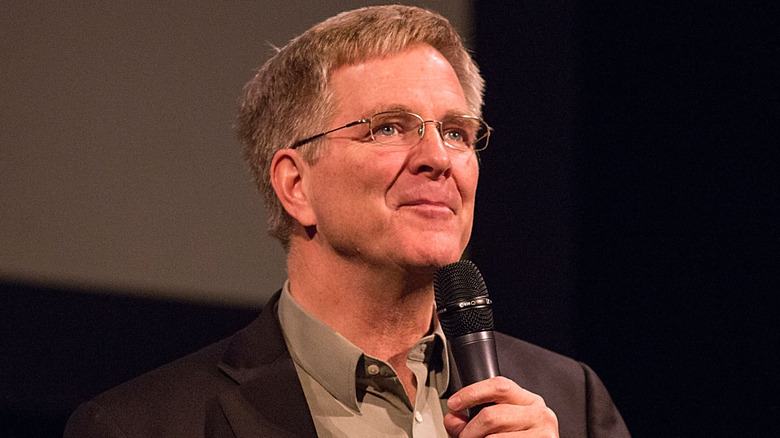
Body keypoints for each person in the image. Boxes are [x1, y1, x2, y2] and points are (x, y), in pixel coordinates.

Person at [65, 5, 629, 437]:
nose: (439, 158)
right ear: (295, 185)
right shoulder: (144, 425)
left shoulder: (570, 400)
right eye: (388, 127)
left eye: (456, 132)